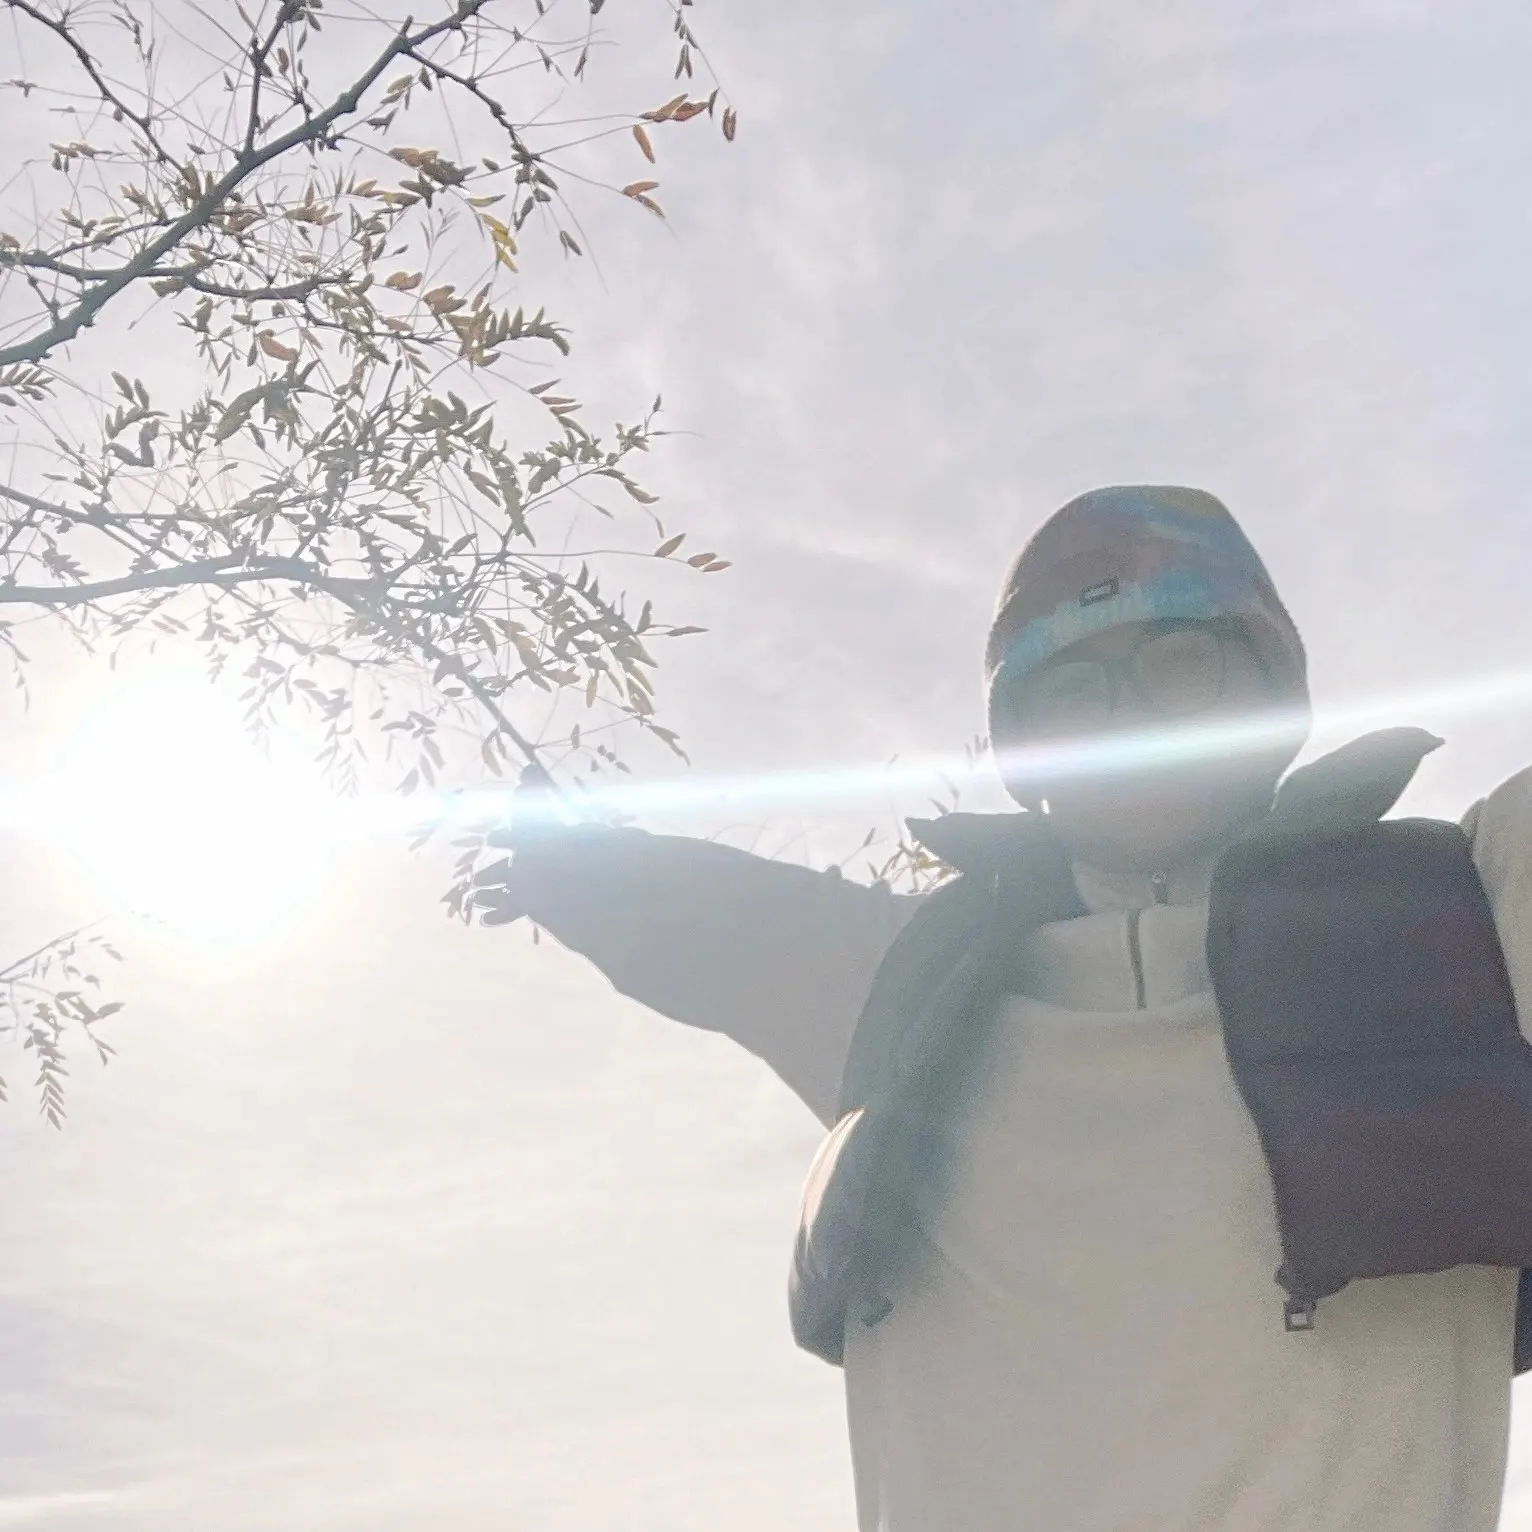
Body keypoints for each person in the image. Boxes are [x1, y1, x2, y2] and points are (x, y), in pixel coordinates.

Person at [473, 485, 1532, 1532]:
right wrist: (557, 858)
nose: (1133, 718)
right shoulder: (907, 986)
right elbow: (686, 909)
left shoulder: (1463, 912)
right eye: (1074, 694)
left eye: (1180, 663)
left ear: (1271, 694)